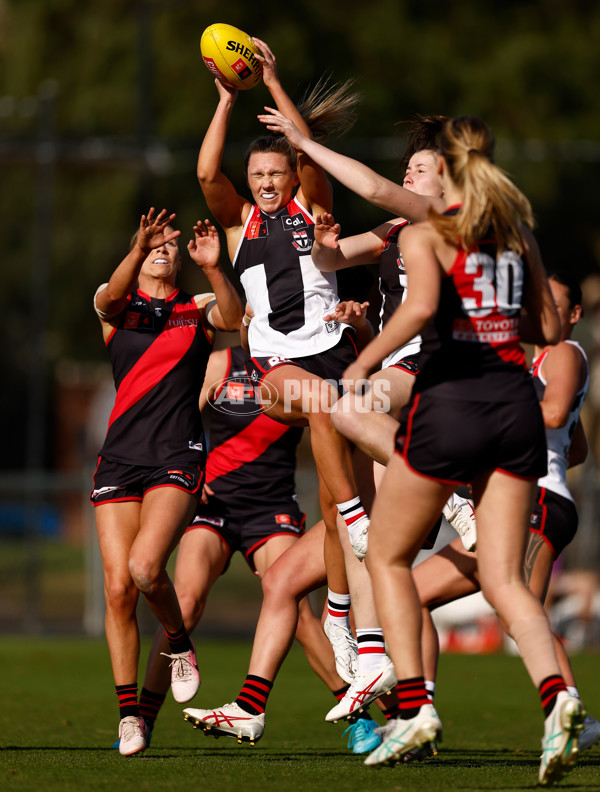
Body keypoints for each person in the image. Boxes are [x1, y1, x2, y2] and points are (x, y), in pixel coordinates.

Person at [195, 37, 372, 603]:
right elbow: (205, 175)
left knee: (332, 492)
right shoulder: (239, 224)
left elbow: (309, 153)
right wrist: (226, 100)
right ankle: (364, 520)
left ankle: (342, 614)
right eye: (258, 175)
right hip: (280, 364)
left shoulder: (311, 209)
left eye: (276, 173)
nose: (268, 182)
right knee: (321, 409)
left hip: (337, 356)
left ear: (291, 177)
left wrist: (271, 82)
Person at [411, 271, 600, 754]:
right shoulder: (530, 362)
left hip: (537, 502)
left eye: (555, 306)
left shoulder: (562, 353)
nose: (543, 315)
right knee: (412, 593)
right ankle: (420, 716)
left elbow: (556, 415)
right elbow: (573, 444)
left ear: (573, 315)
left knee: (523, 613)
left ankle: (571, 714)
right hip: (512, 501)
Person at [134, 343, 358, 747]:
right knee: (184, 604)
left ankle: (358, 717)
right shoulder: (222, 362)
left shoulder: (302, 368)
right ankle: (141, 720)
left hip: (273, 508)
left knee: (300, 612)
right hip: (215, 503)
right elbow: (179, 420)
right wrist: (189, 472)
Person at [90, 209, 242, 755]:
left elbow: (232, 315)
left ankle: (179, 643)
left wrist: (214, 269)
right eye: (156, 244)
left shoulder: (193, 308)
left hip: (176, 455)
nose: (164, 249)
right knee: (116, 590)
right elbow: (106, 299)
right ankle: (130, 715)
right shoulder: (118, 307)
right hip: (120, 459)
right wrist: (136, 248)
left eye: (171, 246)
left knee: (145, 567)